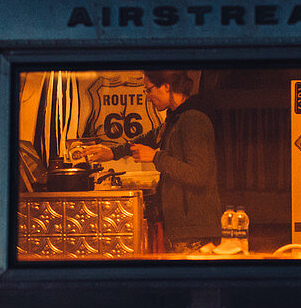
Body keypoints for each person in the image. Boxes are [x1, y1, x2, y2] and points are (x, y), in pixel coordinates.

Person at [84, 70, 221, 253]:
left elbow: (199, 175)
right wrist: (111, 152)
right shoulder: (176, 117)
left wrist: (156, 157)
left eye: (149, 90)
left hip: (194, 232)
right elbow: (151, 137)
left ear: (166, 87)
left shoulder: (193, 119)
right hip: (184, 229)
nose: (148, 97)